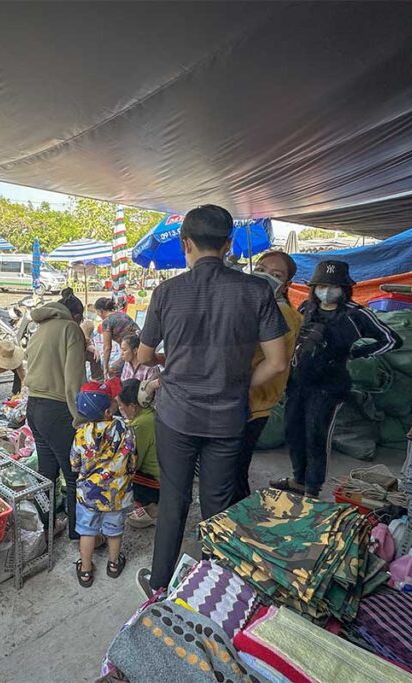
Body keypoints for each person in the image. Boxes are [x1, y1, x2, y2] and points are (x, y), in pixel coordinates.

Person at [134, 204, 290, 597]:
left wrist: (175, 362)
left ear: (186, 243)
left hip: (175, 414)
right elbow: (277, 362)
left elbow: (143, 356)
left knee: (174, 500)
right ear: (228, 244)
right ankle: (212, 591)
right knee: (218, 504)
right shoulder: (256, 291)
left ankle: (158, 587)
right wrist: (235, 383)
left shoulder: (167, 292)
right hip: (228, 417)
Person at [271, 260, 401, 498]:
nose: (327, 291)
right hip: (299, 381)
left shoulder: (356, 315)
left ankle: (312, 486)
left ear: (345, 288)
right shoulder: (306, 309)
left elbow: (391, 339)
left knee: (316, 433)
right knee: (292, 430)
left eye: (334, 286)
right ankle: (298, 478)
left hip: (329, 386)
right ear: (313, 287)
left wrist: (359, 352)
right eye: (321, 286)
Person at [234, 251, 304, 502]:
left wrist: (236, 388)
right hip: (249, 400)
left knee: (234, 472)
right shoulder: (260, 306)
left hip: (253, 403)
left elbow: (275, 364)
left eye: (276, 275)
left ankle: (236, 525)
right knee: (235, 470)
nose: (265, 277)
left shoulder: (281, 313)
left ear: (285, 285)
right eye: (261, 269)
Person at [25, 288, 88, 541]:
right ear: (76, 315)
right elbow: (75, 382)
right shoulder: (71, 329)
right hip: (58, 411)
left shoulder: (40, 329)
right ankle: (77, 533)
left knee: (46, 473)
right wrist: (81, 419)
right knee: (73, 476)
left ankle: (47, 526)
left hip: (34, 407)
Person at [70, 381, 135, 587]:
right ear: (108, 411)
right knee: (114, 530)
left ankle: (86, 570)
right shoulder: (124, 429)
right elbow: (133, 460)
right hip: (117, 494)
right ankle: (114, 564)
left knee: (87, 531)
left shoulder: (81, 434)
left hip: (89, 494)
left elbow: (74, 463)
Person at [117, 378, 160, 529]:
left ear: (133, 407)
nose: (121, 410)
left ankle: (152, 508)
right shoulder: (150, 414)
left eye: (122, 407)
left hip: (157, 483)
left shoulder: (140, 425)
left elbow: (133, 463)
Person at [94, 297, 139, 378]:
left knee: (112, 371)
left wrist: (105, 368)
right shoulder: (122, 314)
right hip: (141, 346)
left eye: (96, 312)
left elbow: (107, 348)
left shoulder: (107, 322)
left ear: (100, 311)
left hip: (132, 349)